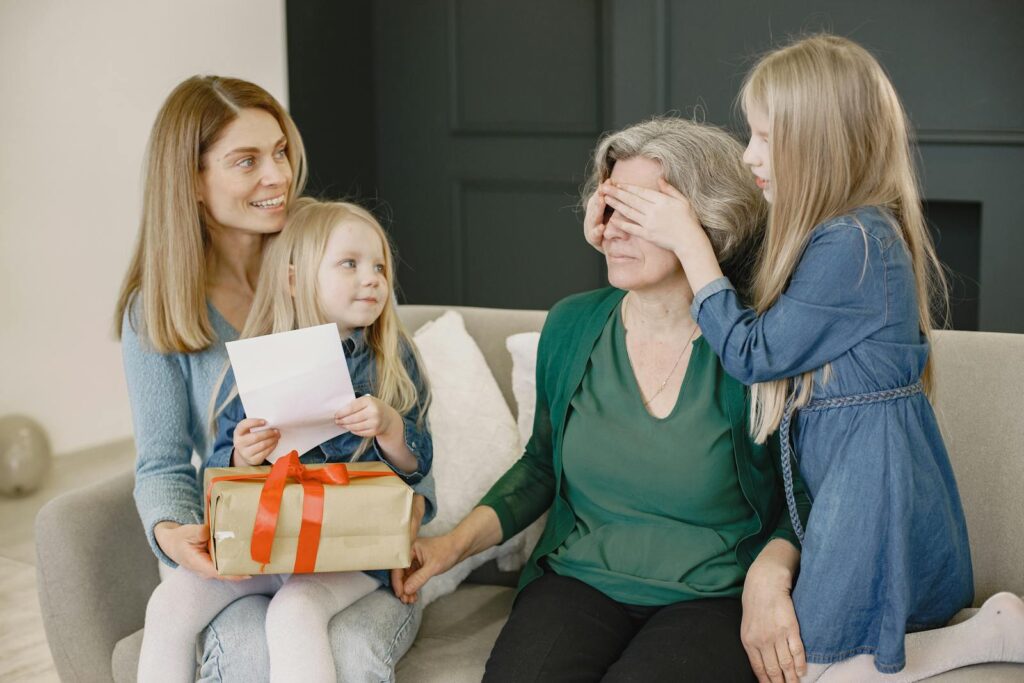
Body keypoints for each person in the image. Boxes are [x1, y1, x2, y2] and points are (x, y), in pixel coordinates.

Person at [599, 34, 1024, 682]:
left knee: (813, 663)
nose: (749, 156)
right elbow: (742, 269)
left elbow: (750, 349)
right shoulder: (833, 233)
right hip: (856, 470)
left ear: (819, 143)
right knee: (813, 657)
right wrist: (612, 221)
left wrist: (686, 240)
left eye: (766, 137)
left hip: (869, 479)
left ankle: (989, 633)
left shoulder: (853, 243)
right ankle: (987, 628)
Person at [393, 117, 811, 682]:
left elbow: (807, 491)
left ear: (706, 224)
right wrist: (449, 548)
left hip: (712, 598)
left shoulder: (756, 345)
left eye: (637, 212)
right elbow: (540, 466)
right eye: (608, 207)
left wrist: (771, 573)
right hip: (578, 580)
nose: (610, 230)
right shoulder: (573, 324)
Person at [116, 76, 434, 681]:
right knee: (234, 647)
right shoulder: (156, 309)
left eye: (281, 151)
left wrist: (410, 512)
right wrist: (175, 536)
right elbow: (161, 465)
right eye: (247, 161)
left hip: (337, 540)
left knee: (304, 627)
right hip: (240, 538)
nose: (278, 176)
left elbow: (397, 393)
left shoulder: (318, 258)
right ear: (192, 181)